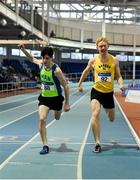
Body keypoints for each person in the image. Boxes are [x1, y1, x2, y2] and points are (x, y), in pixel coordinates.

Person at [18, 44, 70, 154]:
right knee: (42, 119)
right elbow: (31, 58)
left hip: (56, 99)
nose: (45, 60)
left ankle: (58, 111)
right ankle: (45, 145)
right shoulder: (41, 65)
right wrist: (23, 49)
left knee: (57, 117)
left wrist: (67, 103)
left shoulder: (57, 71)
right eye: (43, 58)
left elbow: (65, 85)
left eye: (47, 58)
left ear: (52, 58)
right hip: (44, 98)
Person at [78, 37, 124, 153]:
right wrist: (79, 84)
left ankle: (108, 110)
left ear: (108, 46)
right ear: (97, 48)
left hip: (108, 93)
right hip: (96, 91)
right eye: (100, 46)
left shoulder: (114, 60)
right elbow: (85, 71)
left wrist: (121, 84)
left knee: (112, 118)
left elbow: (118, 76)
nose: (102, 48)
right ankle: (97, 143)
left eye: (104, 46)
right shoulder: (93, 61)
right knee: (95, 113)